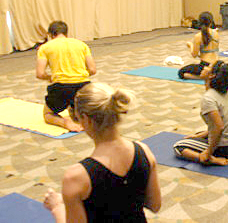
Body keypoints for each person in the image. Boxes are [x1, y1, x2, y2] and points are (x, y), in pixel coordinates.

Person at [43, 83, 161, 222]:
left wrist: (57, 207)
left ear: (86, 119)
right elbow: (155, 205)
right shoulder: (144, 151)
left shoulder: (76, 177)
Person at [173, 61, 228, 166]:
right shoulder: (223, 92)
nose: (204, 67)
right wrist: (197, 136)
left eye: (208, 67)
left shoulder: (208, 98)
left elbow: (219, 127)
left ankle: (210, 159)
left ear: (212, 75)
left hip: (225, 149)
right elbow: (225, 123)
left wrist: (208, 152)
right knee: (199, 133)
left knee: (179, 146)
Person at [36, 21, 97, 132]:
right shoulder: (82, 44)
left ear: (50, 34)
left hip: (61, 87)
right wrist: (78, 75)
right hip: (84, 87)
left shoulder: (45, 48)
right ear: (66, 33)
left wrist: (49, 77)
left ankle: (65, 122)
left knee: (48, 114)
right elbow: (92, 70)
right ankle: (78, 113)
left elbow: (40, 74)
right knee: (80, 108)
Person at [178, 12, 219, 80]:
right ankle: (212, 74)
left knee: (181, 73)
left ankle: (203, 77)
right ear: (211, 22)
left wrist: (191, 45)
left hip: (205, 65)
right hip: (216, 65)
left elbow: (194, 55)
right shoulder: (216, 33)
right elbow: (210, 51)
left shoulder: (198, 36)